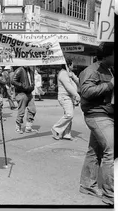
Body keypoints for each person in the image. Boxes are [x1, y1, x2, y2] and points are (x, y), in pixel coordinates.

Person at [79, 42, 114, 206]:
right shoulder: (92, 70)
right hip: (97, 114)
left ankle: (87, 185)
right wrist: (110, 85)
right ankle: (111, 194)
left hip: (107, 114)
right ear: (108, 54)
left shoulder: (110, 69)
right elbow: (86, 92)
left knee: (95, 151)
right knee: (111, 150)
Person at [51, 59, 80, 140]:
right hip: (64, 97)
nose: (73, 66)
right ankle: (56, 128)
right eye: (72, 64)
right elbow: (68, 87)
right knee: (69, 115)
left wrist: (73, 76)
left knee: (69, 116)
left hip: (70, 97)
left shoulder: (69, 73)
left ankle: (66, 134)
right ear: (68, 65)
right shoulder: (63, 74)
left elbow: (78, 81)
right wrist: (77, 95)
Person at [11, 65, 37, 134]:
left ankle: (28, 127)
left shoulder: (31, 70)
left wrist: (32, 86)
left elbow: (32, 80)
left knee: (32, 109)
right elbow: (13, 81)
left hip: (29, 92)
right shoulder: (20, 70)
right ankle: (18, 126)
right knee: (21, 111)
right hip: (21, 93)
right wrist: (22, 86)